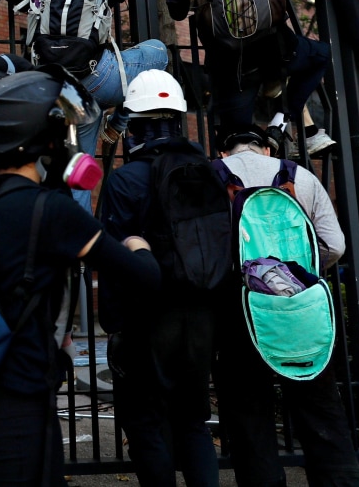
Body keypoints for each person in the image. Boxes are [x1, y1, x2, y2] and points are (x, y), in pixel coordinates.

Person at [0, 65, 160, 486]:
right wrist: (139, 246)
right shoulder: (51, 211)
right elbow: (143, 279)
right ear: (39, 142)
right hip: (18, 406)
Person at [215, 126, 359, 487]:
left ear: (224, 153)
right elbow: (335, 245)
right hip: (302, 307)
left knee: (249, 409)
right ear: (267, 149)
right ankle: (340, 480)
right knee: (319, 405)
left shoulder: (212, 175)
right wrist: (302, 278)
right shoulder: (302, 177)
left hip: (242, 309)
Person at [99, 70, 224, 487]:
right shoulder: (208, 172)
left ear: (134, 123)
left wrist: (113, 322)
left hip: (147, 318)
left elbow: (113, 257)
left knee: (146, 423)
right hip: (202, 316)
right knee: (193, 421)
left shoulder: (125, 179)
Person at [28, 0, 168, 210]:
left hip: (56, 88)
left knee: (76, 169)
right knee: (158, 52)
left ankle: (77, 240)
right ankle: (119, 121)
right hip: (97, 77)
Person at [166, 0, 329, 155]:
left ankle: (243, 178)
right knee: (321, 54)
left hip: (230, 66)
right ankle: (281, 122)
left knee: (237, 141)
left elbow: (177, 11)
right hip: (275, 51)